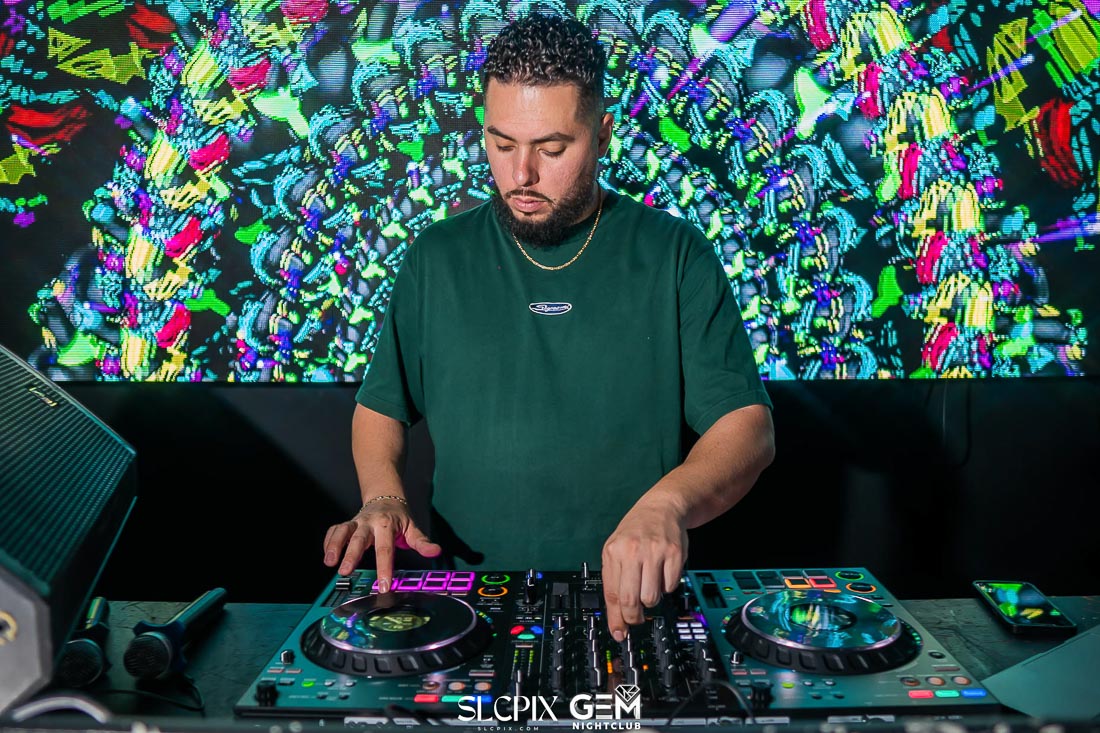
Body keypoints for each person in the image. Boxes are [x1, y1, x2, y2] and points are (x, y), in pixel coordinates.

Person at [323, 13, 774, 640]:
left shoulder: (675, 254)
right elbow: (381, 407)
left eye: (552, 149)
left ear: (603, 134)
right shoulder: (436, 257)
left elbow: (747, 427)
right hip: (468, 606)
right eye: (502, 144)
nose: (522, 175)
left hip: (633, 600)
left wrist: (667, 505)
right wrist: (384, 497)